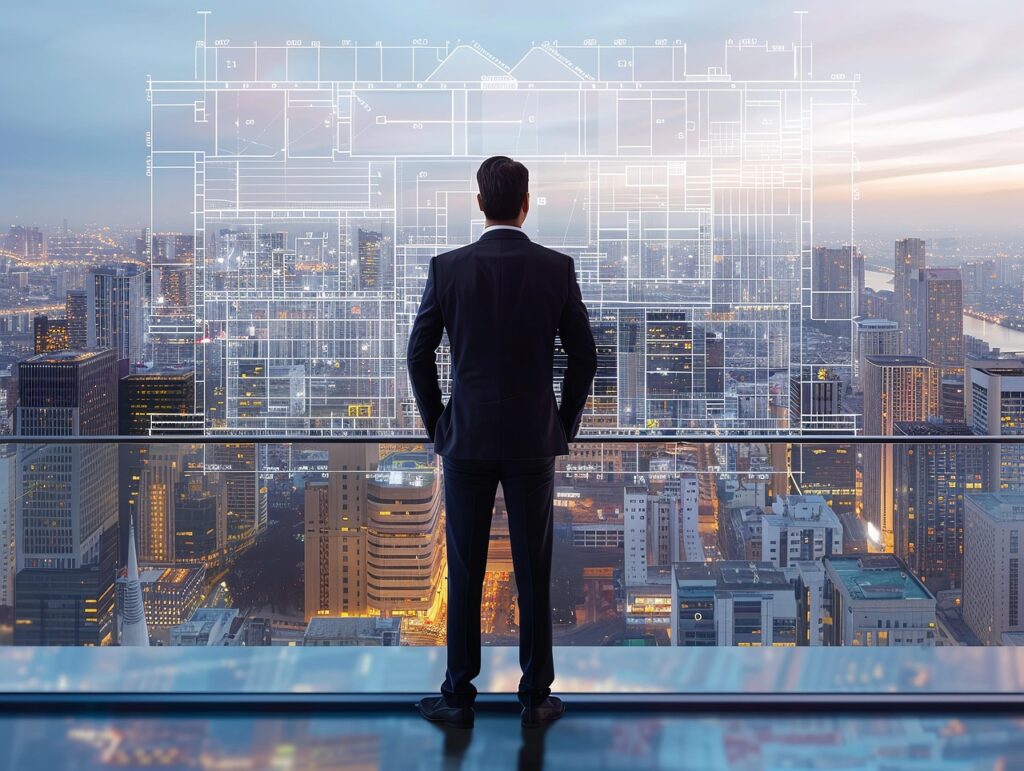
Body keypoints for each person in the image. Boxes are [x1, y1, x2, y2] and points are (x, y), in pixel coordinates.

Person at [408, 156, 597, 729]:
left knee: (463, 567)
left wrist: (439, 422)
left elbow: (419, 355)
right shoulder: (556, 269)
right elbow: (585, 358)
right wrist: (561, 425)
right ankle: (536, 696)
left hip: (464, 440)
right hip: (531, 442)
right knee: (532, 565)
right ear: (526, 201)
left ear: (480, 202)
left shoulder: (448, 269)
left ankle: (457, 696)